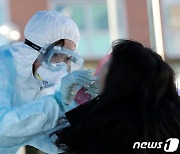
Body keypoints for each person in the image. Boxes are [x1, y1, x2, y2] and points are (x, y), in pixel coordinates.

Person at [55, 40, 180, 154]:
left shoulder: (104, 131)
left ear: (118, 78)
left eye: (107, 66)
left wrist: (67, 104)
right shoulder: (170, 120)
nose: (97, 72)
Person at [0, 10, 95, 154]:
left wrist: (79, 111)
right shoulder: (3, 65)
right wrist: (57, 103)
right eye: (62, 56)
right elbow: (4, 132)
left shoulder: (36, 84)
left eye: (69, 59)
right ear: (39, 48)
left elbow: (40, 134)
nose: (64, 65)